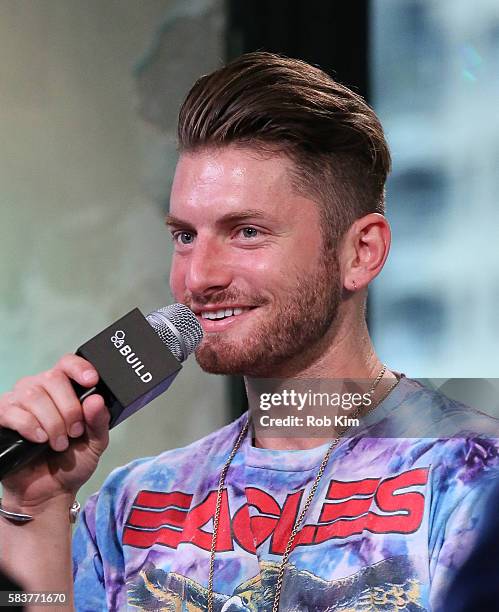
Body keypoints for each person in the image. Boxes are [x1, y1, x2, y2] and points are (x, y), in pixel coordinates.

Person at [0, 52, 498, 612]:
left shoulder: (470, 477)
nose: (199, 277)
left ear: (361, 252)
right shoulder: (131, 504)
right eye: (185, 235)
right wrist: (38, 511)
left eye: (246, 231)